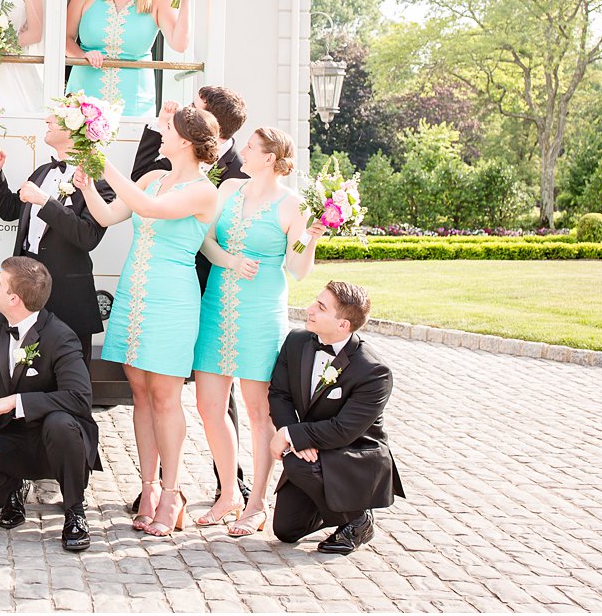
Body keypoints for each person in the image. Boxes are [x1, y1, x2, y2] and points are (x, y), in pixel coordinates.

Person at [78, 104, 220, 537]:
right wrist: (87, 185)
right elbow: (108, 216)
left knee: (165, 397)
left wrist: (105, 160)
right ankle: (148, 489)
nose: (161, 133)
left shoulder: (203, 190)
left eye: (168, 129)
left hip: (171, 297)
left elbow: (148, 209)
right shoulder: (151, 177)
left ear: (188, 141)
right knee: (139, 394)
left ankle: (172, 493)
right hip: (134, 292)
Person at [194, 126, 327, 536]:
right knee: (208, 406)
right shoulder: (229, 188)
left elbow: (297, 268)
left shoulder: (292, 205)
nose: (243, 152)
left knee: (258, 411)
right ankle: (229, 493)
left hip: (261, 312)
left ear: (270, 158)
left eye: (250, 147)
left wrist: (310, 239)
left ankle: (256, 503)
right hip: (217, 305)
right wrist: (230, 261)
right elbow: (205, 240)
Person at [132, 85, 254, 508]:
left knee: (216, 396)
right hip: (158, 285)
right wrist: (156, 130)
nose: (186, 115)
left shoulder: (235, 174)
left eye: (195, 111)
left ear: (212, 128)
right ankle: (159, 484)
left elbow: (205, 235)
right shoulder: (170, 165)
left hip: (203, 289)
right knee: (158, 394)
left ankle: (229, 484)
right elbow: (140, 185)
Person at [0, 257, 102, 553]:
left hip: (55, 442)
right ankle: (12, 491)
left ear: (13, 298)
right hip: (10, 438)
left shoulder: (60, 336)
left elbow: (79, 398)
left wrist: (17, 401)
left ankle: (75, 511)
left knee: (60, 422)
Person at [268, 281, 404, 553]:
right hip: (315, 449)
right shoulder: (296, 342)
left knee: (296, 463)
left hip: (352, 454)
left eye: (320, 308)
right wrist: (292, 431)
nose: (309, 310)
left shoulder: (374, 372)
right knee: (286, 530)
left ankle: (358, 519)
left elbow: (344, 430)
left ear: (343, 325)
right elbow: (279, 394)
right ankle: (333, 507)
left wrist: (290, 436)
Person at [0, 113, 115, 362]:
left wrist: (45, 201)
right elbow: (10, 211)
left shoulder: (98, 180)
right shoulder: (42, 172)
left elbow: (88, 236)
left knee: (69, 370)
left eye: (58, 117)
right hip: (26, 292)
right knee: (25, 366)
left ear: (76, 129)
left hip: (67, 295)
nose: (48, 120)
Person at [64, 0, 191, 118]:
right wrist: (82, 55)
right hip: (84, 94)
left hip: (134, 99)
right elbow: (63, 38)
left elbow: (179, 44)